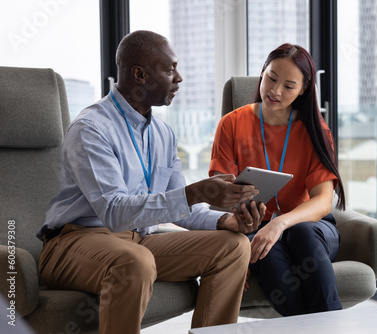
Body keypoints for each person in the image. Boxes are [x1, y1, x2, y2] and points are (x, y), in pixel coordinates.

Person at [36, 30, 266, 334]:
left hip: (139, 240)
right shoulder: (91, 128)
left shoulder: (163, 133)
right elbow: (115, 212)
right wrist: (195, 192)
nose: (179, 78)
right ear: (140, 75)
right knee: (135, 260)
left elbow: (179, 206)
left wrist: (226, 221)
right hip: (74, 242)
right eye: (170, 69)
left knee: (233, 246)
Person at [209, 43, 346, 316]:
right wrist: (237, 250)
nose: (275, 91)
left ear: (303, 90)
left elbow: (322, 201)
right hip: (254, 228)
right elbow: (219, 195)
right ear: (262, 72)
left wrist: (280, 224)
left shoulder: (316, 131)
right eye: (271, 78)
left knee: (301, 232)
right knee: (263, 248)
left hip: (311, 230)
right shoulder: (231, 124)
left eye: (288, 85)